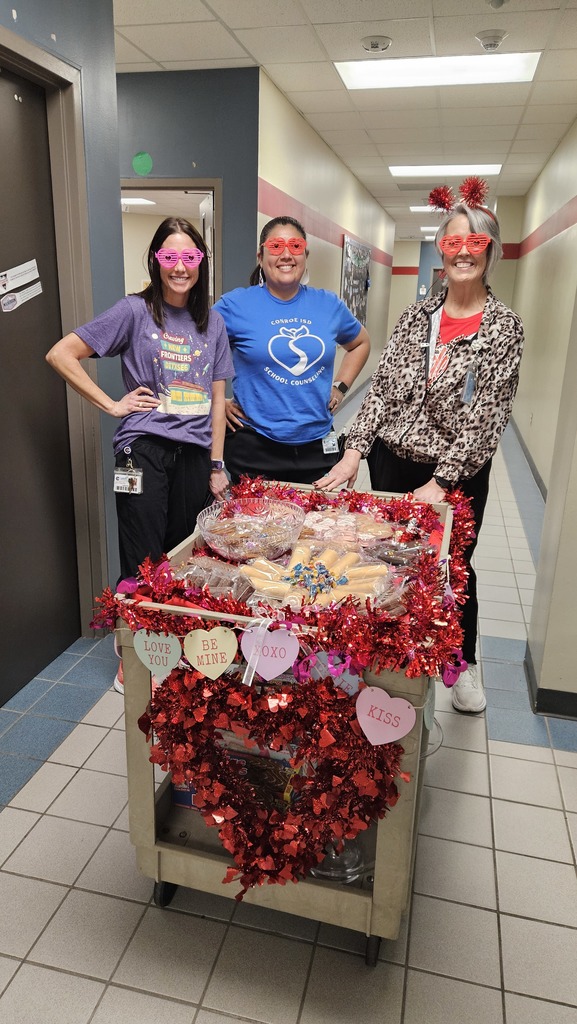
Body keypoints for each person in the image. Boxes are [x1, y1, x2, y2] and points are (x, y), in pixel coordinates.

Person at [315, 180, 524, 714]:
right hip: (391, 460)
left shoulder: (504, 328)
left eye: (475, 245)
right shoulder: (416, 317)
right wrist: (356, 449)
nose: (462, 254)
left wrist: (442, 482)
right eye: (453, 243)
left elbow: (488, 418)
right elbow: (383, 387)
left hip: (455, 473)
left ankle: (461, 665)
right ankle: (391, 658)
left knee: (453, 567)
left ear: (491, 253)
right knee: (391, 558)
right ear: (441, 250)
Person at [46, 216, 234, 692]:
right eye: (169, 257)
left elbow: (217, 403)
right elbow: (61, 354)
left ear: (201, 263)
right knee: (141, 558)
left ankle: (170, 650)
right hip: (142, 451)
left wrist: (217, 464)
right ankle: (133, 657)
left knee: (181, 557)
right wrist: (112, 404)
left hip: (193, 454)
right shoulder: (133, 311)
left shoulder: (212, 323)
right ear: (155, 261)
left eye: (189, 257)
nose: (179, 267)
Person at [213, 216, 370, 485]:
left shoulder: (328, 304)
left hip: (317, 447)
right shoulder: (235, 305)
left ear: (305, 255)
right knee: (257, 526)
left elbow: (360, 343)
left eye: (295, 246)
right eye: (276, 246)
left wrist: (341, 387)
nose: (286, 254)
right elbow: (196, 351)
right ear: (261, 257)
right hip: (255, 446)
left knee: (316, 526)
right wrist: (216, 402)